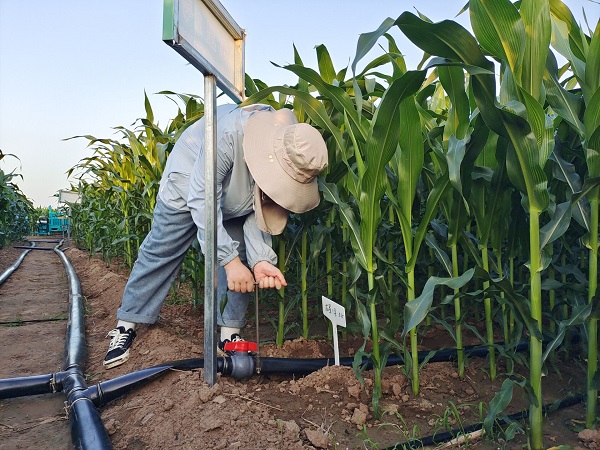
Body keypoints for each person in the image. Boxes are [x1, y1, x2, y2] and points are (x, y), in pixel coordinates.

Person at [103, 103, 328, 369]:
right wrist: (228, 262)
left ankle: (229, 334)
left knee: (240, 255)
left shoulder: (291, 147)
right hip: (190, 182)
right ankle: (126, 325)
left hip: (235, 196)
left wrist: (260, 259)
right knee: (161, 251)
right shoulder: (228, 135)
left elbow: (259, 208)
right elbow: (201, 198)